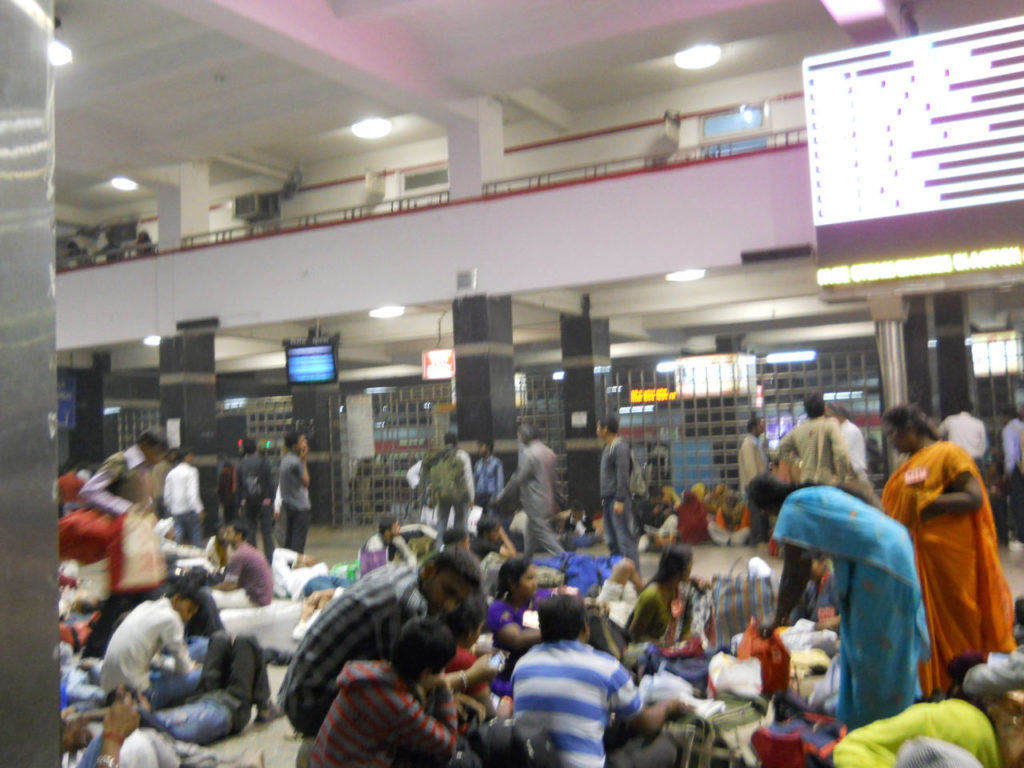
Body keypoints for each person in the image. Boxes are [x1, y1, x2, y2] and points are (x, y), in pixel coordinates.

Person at [749, 474, 929, 729]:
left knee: (875, 650)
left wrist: (777, 619)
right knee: (891, 643)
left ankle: (880, 726)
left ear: (765, 508)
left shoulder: (792, 508)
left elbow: (794, 575)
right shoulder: (814, 493)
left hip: (879, 565)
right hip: (893, 550)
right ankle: (889, 719)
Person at [881, 404, 1015, 697]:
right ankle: (936, 689)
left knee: (960, 622)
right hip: (916, 562)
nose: (891, 441)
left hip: (951, 562)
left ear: (911, 429)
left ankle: (968, 689)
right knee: (924, 627)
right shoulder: (909, 464)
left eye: (893, 434)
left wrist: (931, 503)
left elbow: (974, 497)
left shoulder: (949, 454)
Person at [280, 546, 481, 738]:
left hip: (302, 689)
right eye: (448, 592)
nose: (449, 605)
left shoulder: (408, 574)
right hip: (309, 703)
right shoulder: (402, 605)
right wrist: (463, 682)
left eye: (458, 601)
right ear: (429, 571)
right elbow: (404, 686)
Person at [513, 593, 687, 768]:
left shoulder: (522, 666)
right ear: (585, 628)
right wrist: (669, 706)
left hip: (534, 761)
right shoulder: (606, 667)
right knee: (669, 744)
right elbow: (646, 724)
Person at [310, 616, 459, 768]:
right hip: (346, 762)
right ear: (426, 672)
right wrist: (444, 687)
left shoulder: (371, 672)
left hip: (324, 759)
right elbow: (448, 744)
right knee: (448, 761)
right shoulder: (398, 704)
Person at [79, 428, 170, 658]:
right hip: (123, 540)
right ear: (145, 445)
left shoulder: (145, 468)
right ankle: (98, 650)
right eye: (158, 452)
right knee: (129, 596)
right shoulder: (121, 461)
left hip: (138, 539)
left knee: (130, 597)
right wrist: (125, 509)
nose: (159, 459)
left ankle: (102, 650)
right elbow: (90, 490)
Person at [153, 630, 282, 745]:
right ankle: (265, 706)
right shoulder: (158, 735)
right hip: (230, 707)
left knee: (219, 638)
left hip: (201, 697)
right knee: (246, 641)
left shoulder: (151, 724)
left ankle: (265, 706)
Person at [99, 578, 201, 710]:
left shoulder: (145, 606)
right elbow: (184, 668)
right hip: (138, 697)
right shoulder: (172, 618)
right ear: (176, 600)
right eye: (189, 610)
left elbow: (152, 658)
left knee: (173, 663)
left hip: (108, 690)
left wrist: (172, 664)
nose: (189, 617)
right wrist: (192, 666)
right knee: (202, 674)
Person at [494, 423, 564, 558]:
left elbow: (517, 479)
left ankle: (567, 560)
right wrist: (556, 500)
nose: (519, 437)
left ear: (525, 435)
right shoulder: (549, 452)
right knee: (530, 535)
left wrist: (502, 496)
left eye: (520, 434)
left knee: (545, 536)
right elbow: (554, 481)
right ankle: (526, 561)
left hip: (534, 503)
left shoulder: (529, 454)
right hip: (547, 501)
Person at [486, 556, 542, 697]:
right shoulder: (498, 608)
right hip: (504, 665)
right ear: (512, 583)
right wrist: (556, 629)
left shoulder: (538, 601)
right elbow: (516, 639)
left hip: (532, 666)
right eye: (529, 579)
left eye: (535, 578)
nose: (535, 583)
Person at [441, 592, 501, 719]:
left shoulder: (437, 646)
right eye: (479, 629)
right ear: (469, 633)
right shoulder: (466, 660)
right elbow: (489, 713)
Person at [777, 392, 852, 485]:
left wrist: (798, 462)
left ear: (806, 410)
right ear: (825, 408)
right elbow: (842, 454)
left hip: (806, 482)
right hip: (827, 483)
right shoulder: (831, 425)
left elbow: (780, 449)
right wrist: (842, 478)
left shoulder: (798, 429)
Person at [629, 544, 697, 643]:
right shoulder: (652, 596)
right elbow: (635, 636)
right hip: (652, 650)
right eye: (690, 564)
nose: (691, 568)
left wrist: (685, 640)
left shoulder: (681, 590)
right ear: (680, 569)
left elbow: (687, 622)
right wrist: (665, 647)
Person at [597, 414, 640, 568]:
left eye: (598, 427)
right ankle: (618, 575)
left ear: (605, 429)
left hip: (617, 500)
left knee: (625, 541)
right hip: (608, 500)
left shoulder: (619, 447)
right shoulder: (607, 447)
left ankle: (636, 579)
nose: (597, 430)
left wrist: (620, 499)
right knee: (612, 541)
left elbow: (623, 475)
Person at [211, 520, 273, 609]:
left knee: (211, 597)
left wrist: (212, 588)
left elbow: (230, 585)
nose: (225, 536)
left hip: (257, 599)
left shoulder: (238, 555)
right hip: (264, 596)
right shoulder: (246, 548)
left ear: (238, 535)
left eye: (228, 533)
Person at [427, 431, 475, 533]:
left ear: (444, 442)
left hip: (442, 494)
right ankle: (457, 547)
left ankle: (440, 547)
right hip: (459, 495)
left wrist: (431, 498)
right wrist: (471, 497)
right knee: (460, 523)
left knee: (441, 524)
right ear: (457, 442)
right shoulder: (462, 455)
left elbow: (433, 478)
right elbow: (468, 478)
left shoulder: (439, 456)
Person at [235, 439, 274, 562]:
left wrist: (239, 505)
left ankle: (254, 560)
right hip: (264, 502)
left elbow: (239, 487)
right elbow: (270, 483)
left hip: (248, 503)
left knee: (250, 533)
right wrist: (271, 500)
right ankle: (271, 560)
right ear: (255, 448)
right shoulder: (264, 462)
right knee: (267, 533)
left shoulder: (240, 464)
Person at [738, 416, 770, 545]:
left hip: (760, 485)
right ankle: (756, 541)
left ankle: (760, 539)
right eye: (760, 425)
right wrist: (757, 486)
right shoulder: (748, 445)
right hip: (755, 486)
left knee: (760, 514)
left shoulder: (756, 443)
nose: (762, 428)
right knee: (756, 514)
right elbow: (751, 469)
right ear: (753, 428)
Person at [278, 431, 311, 553]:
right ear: (294, 446)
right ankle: (295, 569)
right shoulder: (295, 462)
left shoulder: (286, 460)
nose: (305, 443)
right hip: (300, 508)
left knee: (289, 543)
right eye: (302, 441)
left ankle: (288, 567)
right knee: (297, 546)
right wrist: (304, 460)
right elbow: (306, 481)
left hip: (290, 507)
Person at [164, 448, 205, 547]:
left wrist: (171, 508)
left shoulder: (171, 473)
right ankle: (199, 558)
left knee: (177, 538)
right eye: (191, 455)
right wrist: (199, 509)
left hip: (175, 511)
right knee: (196, 537)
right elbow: (192, 494)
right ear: (186, 457)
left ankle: (175, 559)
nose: (192, 458)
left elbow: (167, 496)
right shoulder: (192, 471)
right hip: (190, 510)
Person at [789, 556, 840, 630]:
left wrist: (835, 621)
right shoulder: (809, 585)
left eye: (809, 564)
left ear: (822, 562)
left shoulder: (835, 582)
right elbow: (796, 622)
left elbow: (853, 615)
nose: (805, 569)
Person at [938, 400, 987, 469]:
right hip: (974, 460)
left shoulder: (950, 421)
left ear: (957, 409)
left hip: (956, 459)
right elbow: (983, 445)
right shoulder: (979, 424)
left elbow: (938, 433)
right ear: (972, 410)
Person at [1001, 406, 1024, 550]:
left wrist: (1007, 473)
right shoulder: (1022, 425)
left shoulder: (1009, 429)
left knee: (1018, 503)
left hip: (1018, 469)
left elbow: (1010, 453)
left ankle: (1021, 537)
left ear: (1007, 416)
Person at [831, 404, 868, 479]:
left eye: (832, 417)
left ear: (840, 416)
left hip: (854, 475)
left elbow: (841, 452)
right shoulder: (843, 429)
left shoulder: (849, 430)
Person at [473, 439, 504, 514]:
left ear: (488, 447)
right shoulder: (478, 463)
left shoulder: (496, 463)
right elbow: (475, 481)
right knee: (479, 522)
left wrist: (497, 499)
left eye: (481, 446)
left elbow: (500, 483)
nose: (479, 449)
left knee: (491, 521)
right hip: (479, 497)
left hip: (491, 497)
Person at [217, 454, 236, 525]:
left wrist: (220, 499)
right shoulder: (233, 474)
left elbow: (221, 489)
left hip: (225, 501)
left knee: (226, 519)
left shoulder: (222, 475)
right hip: (233, 500)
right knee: (232, 518)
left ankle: (227, 532)